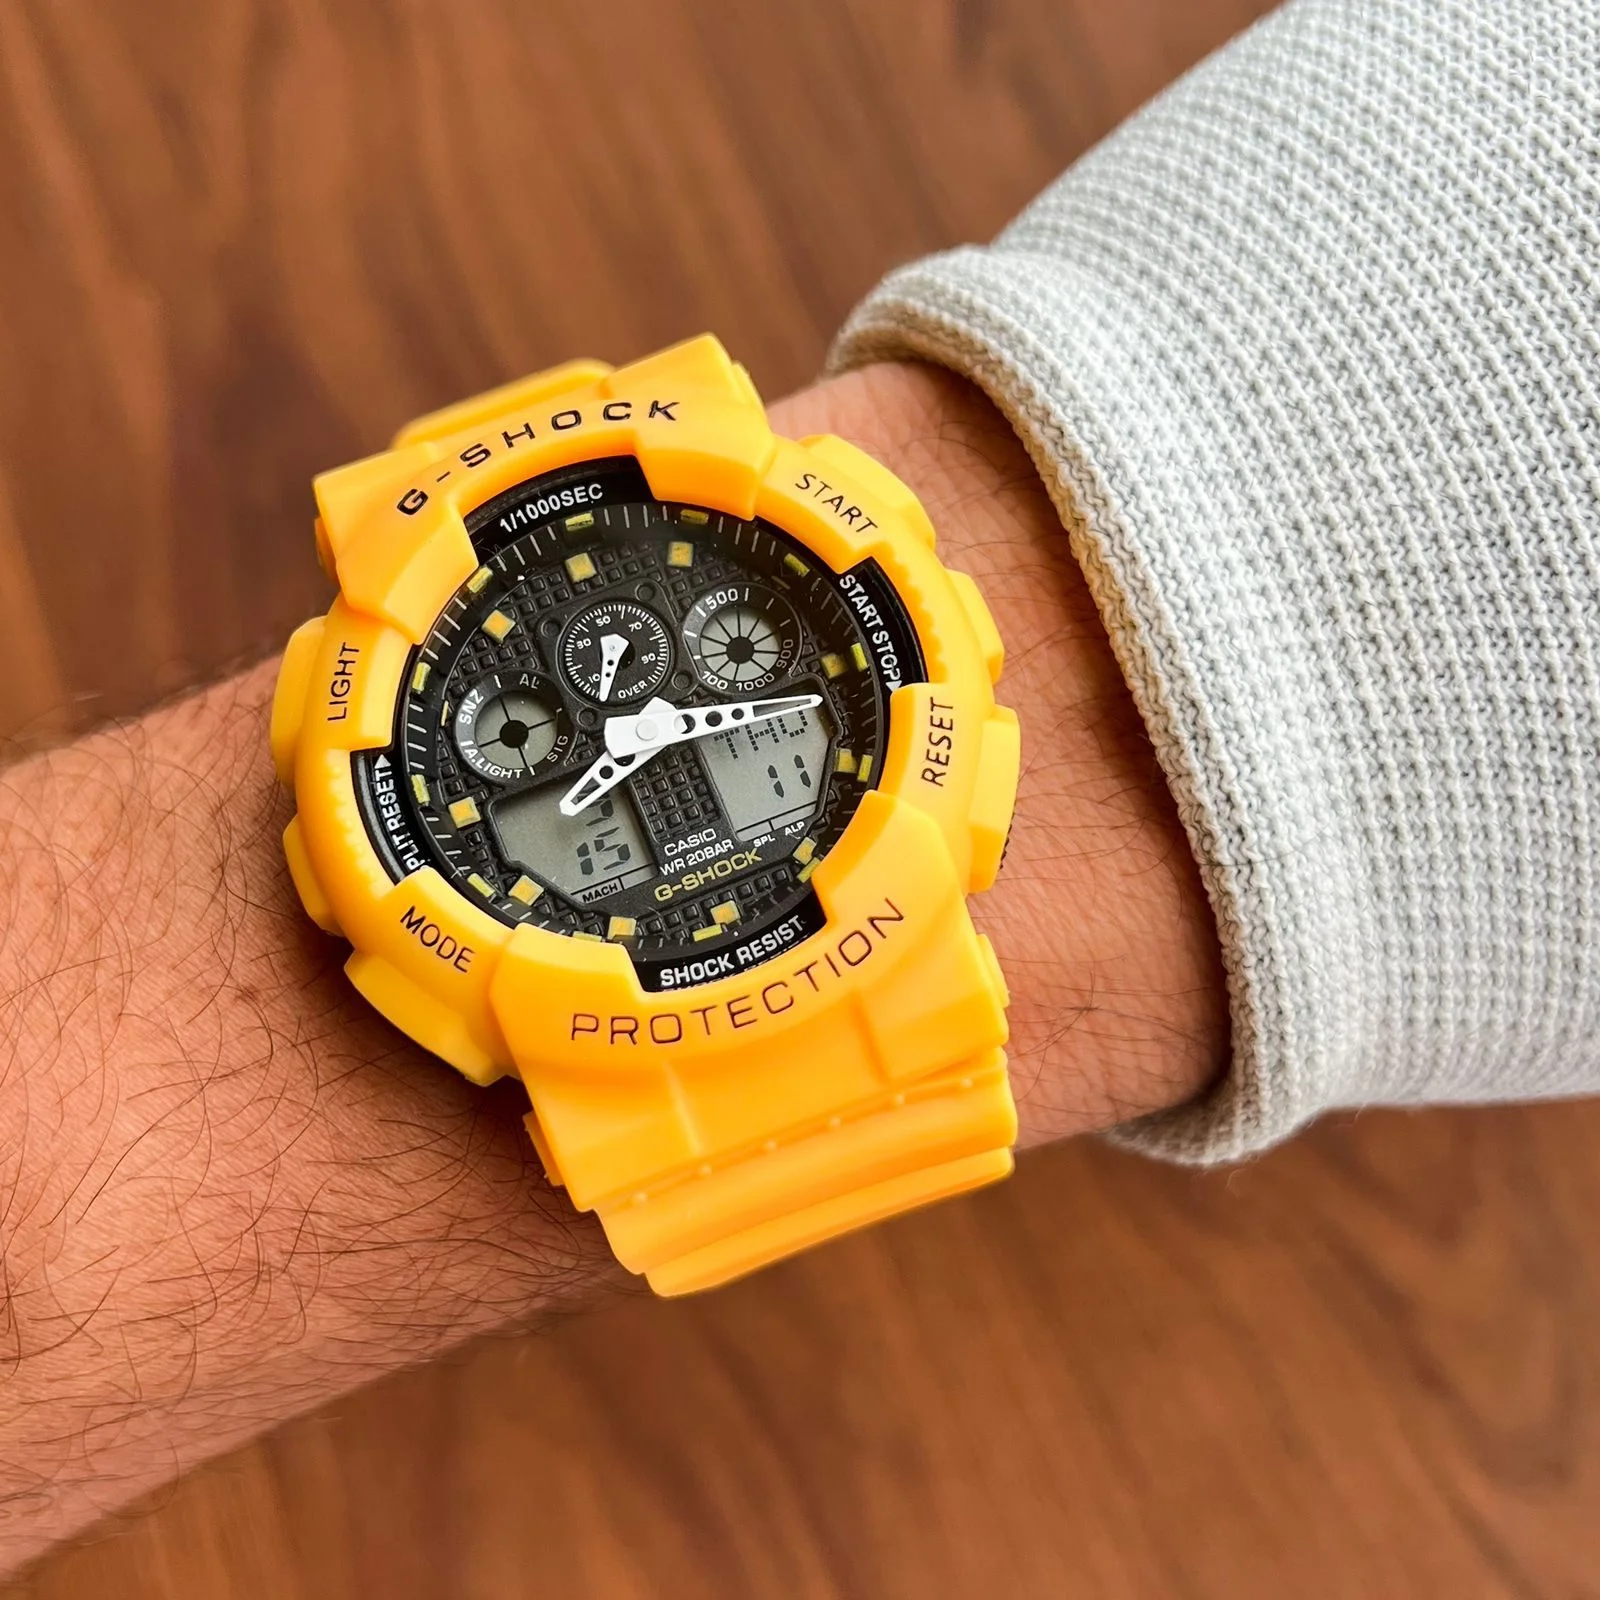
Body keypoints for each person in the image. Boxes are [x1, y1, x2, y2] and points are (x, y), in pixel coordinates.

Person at [2, 0, 1596, 1573]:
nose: (639, 741)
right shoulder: (401, 871)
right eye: (613, 762)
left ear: (953, 655)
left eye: (675, 732)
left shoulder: (869, 664)